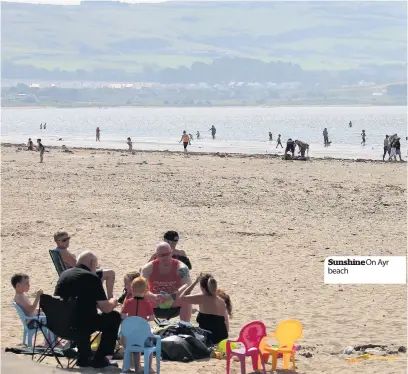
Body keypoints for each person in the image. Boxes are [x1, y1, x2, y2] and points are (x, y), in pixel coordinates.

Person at [55, 251, 121, 368]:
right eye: (96, 265)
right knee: (114, 317)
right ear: (92, 263)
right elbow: (106, 308)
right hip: (81, 326)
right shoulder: (91, 277)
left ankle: (84, 356)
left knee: (81, 314)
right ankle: (100, 358)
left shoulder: (64, 275)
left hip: (60, 326)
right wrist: (114, 301)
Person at [53, 231, 116, 299]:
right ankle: (110, 298)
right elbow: (77, 265)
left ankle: (98, 298)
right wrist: (92, 265)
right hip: (78, 277)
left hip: (72, 276)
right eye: (64, 240)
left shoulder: (57, 250)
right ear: (57, 242)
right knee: (110, 273)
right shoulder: (63, 252)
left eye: (68, 238)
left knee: (100, 274)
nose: (67, 241)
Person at [141, 242, 192, 322]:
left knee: (187, 297)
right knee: (138, 295)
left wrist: (172, 296)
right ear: (157, 256)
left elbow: (187, 284)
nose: (164, 258)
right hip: (154, 302)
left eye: (167, 254)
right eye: (161, 255)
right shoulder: (148, 268)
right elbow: (140, 286)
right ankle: (140, 327)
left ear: (171, 253)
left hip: (174, 301)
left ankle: (185, 326)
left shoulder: (181, 267)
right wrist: (152, 296)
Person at [179, 273, 229, 345]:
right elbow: (225, 323)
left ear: (202, 287)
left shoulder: (202, 298)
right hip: (222, 337)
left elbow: (182, 298)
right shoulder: (221, 301)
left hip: (209, 339)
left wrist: (195, 283)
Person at [121, 277, 155, 372]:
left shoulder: (128, 302)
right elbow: (152, 317)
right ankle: (148, 367)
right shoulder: (147, 303)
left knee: (135, 349)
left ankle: (136, 368)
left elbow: (123, 315)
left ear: (132, 290)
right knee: (150, 345)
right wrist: (144, 320)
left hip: (131, 336)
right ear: (145, 290)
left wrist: (130, 319)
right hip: (143, 335)